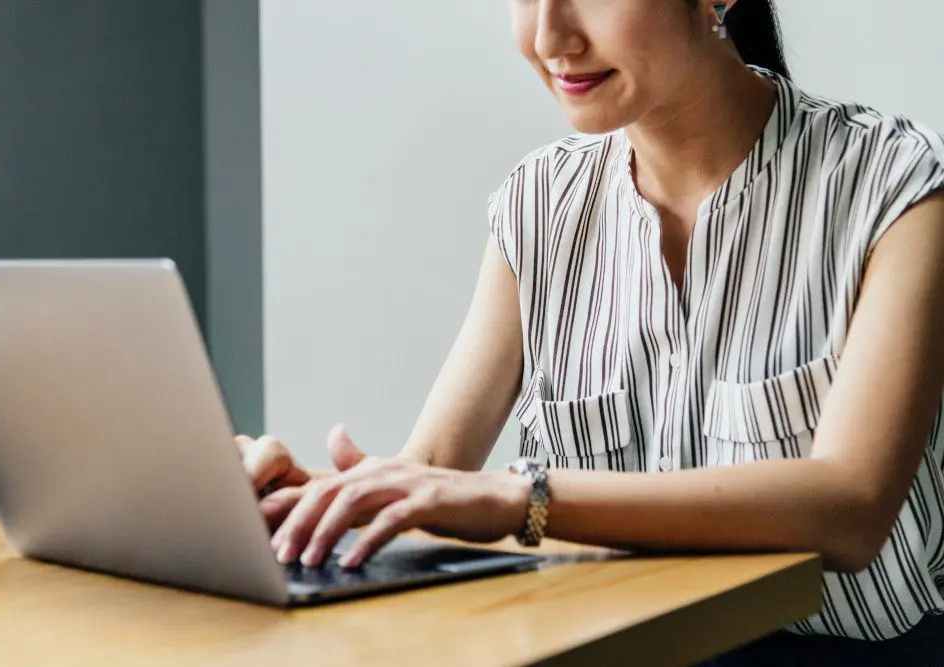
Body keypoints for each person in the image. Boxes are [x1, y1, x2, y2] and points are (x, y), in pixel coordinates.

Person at [238, 0, 944, 662]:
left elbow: (850, 509)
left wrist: (526, 499)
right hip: (603, 648)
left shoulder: (894, 187)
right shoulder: (538, 203)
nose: (550, 40)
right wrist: (313, 498)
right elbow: (434, 473)